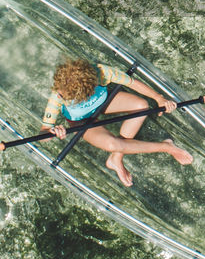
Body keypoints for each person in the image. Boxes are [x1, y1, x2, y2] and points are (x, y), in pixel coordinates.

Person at [42, 57, 192, 187]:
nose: (59, 95)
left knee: (141, 106)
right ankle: (165, 147)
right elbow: (44, 131)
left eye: (64, 95)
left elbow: (132, 83)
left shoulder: (102, 73)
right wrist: (52, 132)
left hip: (103, 103)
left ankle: (116, 158)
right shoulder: (58, 94)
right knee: (112, 144)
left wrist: (159, 98)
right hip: (80, 121)